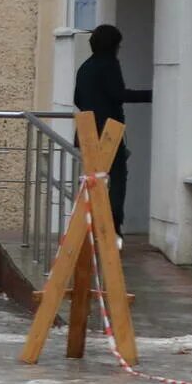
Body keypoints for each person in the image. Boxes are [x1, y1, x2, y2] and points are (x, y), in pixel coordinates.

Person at [73, 24, 152, 243]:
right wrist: (153, 94)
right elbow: (118, 94)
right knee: (117, 178)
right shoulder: (109, 65)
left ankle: (93, 227)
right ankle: (112, 226)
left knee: (94, 180)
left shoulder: (85, 67)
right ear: (113, 46)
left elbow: (77, 99)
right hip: (107, 132)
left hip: (87, 132)